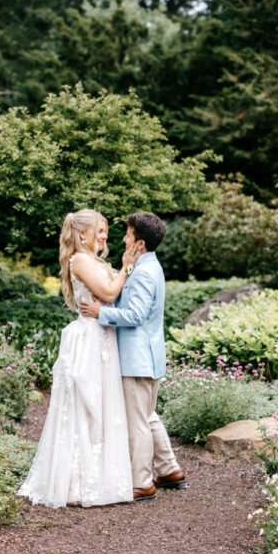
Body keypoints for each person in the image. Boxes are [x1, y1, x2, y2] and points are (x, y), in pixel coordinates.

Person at [18, 209, 136, 507]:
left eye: (105, 231)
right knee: (89, 405)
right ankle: (80, 483)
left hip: (103, 336)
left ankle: (99, 478)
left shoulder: (94, 260)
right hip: (90, 339)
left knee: (103, 405)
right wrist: (126, 267)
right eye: (99, 230)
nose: (104, 236)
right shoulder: (81, 260)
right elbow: (109, 293)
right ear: (81, 234)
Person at [80, 212, 185, 502]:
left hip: (137, 358)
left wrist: (102, 313)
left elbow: (135, 315)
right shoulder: (149, 266)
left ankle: (142, 482)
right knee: (147, 417)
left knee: (137, 421)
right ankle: (169, 469)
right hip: (148, 357)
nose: (122, 238)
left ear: (139, 243)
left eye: (127, 235)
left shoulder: (143, 273)